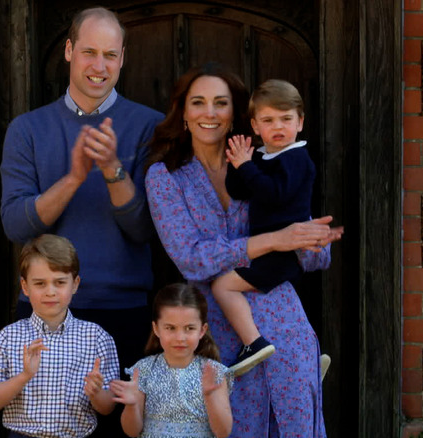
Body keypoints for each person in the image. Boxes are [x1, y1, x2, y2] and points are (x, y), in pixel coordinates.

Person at [145, 63, 343, 437]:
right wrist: (271, 241)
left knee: (295, 426)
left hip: (284, 321)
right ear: (183, 113)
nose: (209, 113)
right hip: (216, 331)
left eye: (220, 103)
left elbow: (312, 252)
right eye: (198, 102)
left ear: (235, 114)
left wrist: (314, 241)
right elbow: (190, 257)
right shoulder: (166, 176)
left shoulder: (266, 161)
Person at [0, 7, 162, 436]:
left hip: (123, 311)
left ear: (123, 57)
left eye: (110, 54)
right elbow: (16, 225)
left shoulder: (150, 127)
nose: (99, 66)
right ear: (69, 51)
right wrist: (73, 178)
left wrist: (111, 169)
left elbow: (146, 229)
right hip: (44, 313)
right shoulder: (27, 129)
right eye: (89, 52)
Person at [212, 79, 322, 376]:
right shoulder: (264, 156)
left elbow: (275, 194)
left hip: (282, 253)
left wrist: (247, 167)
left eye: (286, 119)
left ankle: (254, 343)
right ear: (255, 125)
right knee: (270, 306)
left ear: (300, 122)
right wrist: (238, 162)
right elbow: (239, 190)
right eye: (268, 120)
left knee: (222, 285)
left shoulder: (297, 158)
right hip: (267, 249)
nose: (278, 127)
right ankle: (304, 360)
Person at [0, 234, 119, 438]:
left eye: (60, 282)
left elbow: (108, 408)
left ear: (75, 284)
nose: (50, 292)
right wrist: (24, 376)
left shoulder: (97, 338)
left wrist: (96, 393)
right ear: (25, 287)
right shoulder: (9, 337)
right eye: (40, 283)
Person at [110, 283, 233, 438]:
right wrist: (132, 405)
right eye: (170, 328)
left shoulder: (214, 372)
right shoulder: (143, 370)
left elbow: (223, 432)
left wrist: (210, 397)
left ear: (202, 330)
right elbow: (132, 431)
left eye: (189, 328)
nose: (180, 338)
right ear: (156, 329)